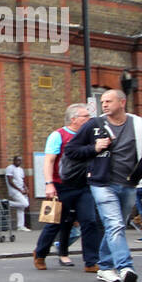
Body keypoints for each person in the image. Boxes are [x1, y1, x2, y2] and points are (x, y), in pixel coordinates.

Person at [64, 88, 142, 282]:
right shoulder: (95, 125)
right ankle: (126, 268)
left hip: (129, 184)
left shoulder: (141, 125)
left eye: (109, 101)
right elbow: (71, 150)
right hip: (101, 184)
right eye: (102, 102)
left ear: (122, 102)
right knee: (115, 225)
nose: (104, 105)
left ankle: (104, 267)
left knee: (116, 226)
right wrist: (93, 148)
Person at [33, 103, 102, 272]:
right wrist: (49, 184)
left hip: (84, 186)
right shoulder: (58, 135)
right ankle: (40, 254)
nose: (89, 119)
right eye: (85, 116)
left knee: (90, 222)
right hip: (61, 186)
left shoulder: (89, 137)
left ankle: (91, 261)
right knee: (55, 223)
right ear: (74, 119)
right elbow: (49, 161)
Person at [5, 155, 31, 231]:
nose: (19, 162)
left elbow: (22, 181)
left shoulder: (20, 169)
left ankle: (20, 226)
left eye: (20, 161)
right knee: (25, 204)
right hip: (14, 191)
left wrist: (26, 188)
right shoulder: (10, 168)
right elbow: (10, 181)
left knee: (21, 208)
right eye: (17, 160)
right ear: (14, 160)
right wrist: (20, 190)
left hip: (22, 190)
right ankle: (7, 203)